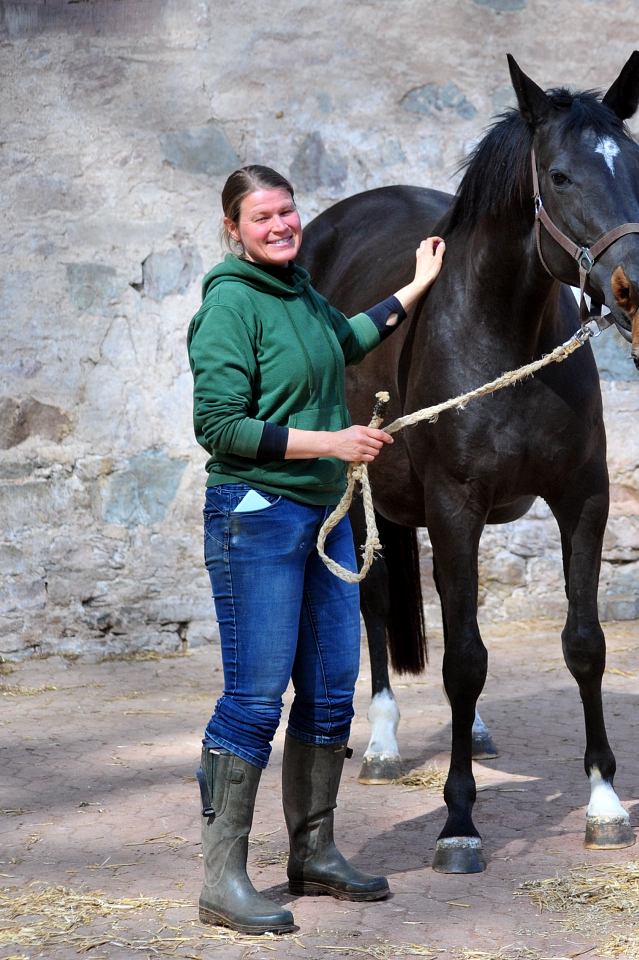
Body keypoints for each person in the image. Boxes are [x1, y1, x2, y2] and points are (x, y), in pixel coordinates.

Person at [186, 165, 444, 934]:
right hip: (257, 517)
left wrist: (417, 285)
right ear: (234, 228)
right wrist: (332, 440)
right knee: (256, 698)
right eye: (262, 216)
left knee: (331, 690)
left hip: (322, 517)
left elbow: (346, 337)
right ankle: (223, 875)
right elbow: (220, 427)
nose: (280, 225)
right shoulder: (229, 304)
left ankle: (314, 850)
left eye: (287, 211)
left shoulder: (299, 291)